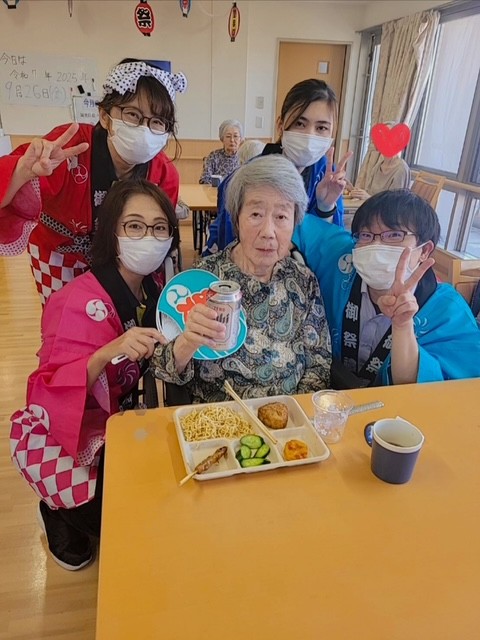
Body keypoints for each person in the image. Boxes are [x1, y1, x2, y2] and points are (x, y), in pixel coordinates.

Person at [9, 179, 179, 570]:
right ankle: (57, 510)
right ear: (111, 232)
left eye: (159, 228)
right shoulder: (76, 302)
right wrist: (107, 351)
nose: (148, 237)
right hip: (70, 429)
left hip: (120, 415)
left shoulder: (153, 289)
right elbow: (48, 391)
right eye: (134, 226)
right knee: (113, 516)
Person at [0, 58, 187, 305]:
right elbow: (13, 191)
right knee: (65, 317)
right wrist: (22, 173)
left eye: (157, 121)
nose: (144, 129)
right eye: (133, 115)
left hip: (122, 259)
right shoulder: (70, 146)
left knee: (116, 320)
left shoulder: (164, 173)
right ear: (105, 116)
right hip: (59, 255)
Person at [151, 155, 332, 402]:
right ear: (236, 218)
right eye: (256, 214)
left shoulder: (303, 280)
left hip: (289, 416)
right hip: (220, 418)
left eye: (281, 217)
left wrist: (296, 414)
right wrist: (187, 342)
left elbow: (319, 364)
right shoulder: (203, 278)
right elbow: (162, 368)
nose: (268, 232)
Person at [293, 189, 480, 387]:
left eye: (394, 235)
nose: (376, 245)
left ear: (424, 250)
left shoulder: (448, 311)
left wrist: (402, 325)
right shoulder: (342, 259)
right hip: (325, 393)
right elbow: (295, 223)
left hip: (395, 405)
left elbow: (445, 390)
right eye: (366, 235)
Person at [203, 78, 352, 255]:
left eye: (321, 128)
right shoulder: (249, 178)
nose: (309, 136)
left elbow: (333, 253)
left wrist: (325, 208)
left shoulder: (328, 180)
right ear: (281, 125)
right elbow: (231, 243)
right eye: (300, 124)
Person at [349, 123, 411, 200]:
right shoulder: (378, 165)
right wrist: (353, 190)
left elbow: (394, 203)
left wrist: (369, 197)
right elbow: (368, 192)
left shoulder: (401, 169)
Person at [199, 119, 243, 185]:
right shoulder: (214, 156)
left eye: (235, 136)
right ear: (222, 139)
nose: (232, 140)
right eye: (228, 136)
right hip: (216, 191)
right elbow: (204, 179)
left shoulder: (244, 156)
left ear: (240, 139)